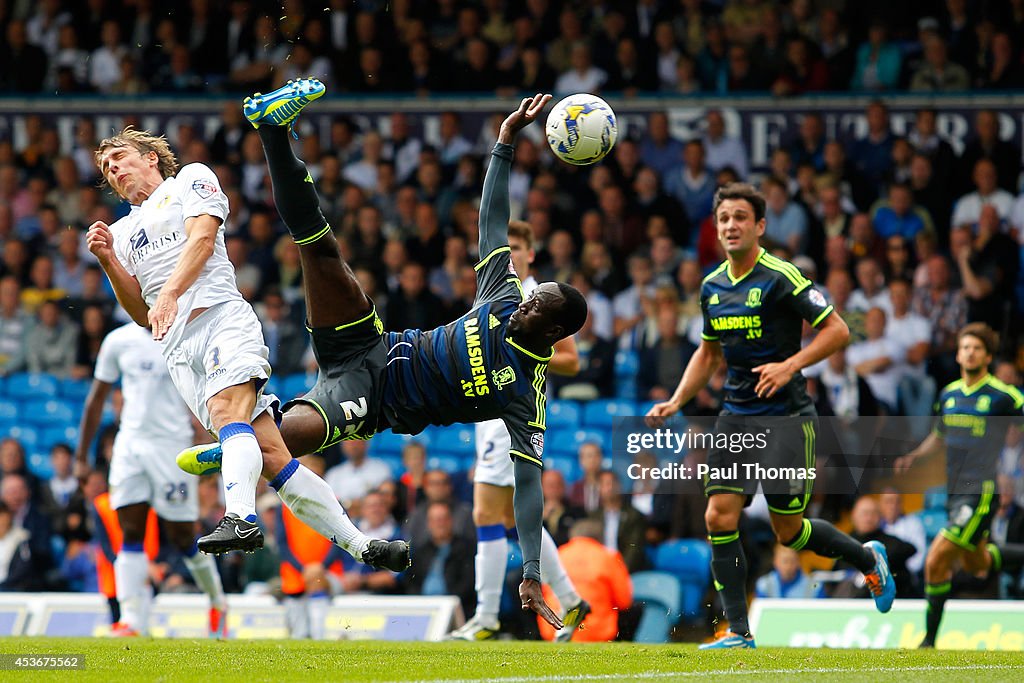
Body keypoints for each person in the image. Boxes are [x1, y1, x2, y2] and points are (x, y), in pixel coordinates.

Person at [178, 84, 588, 631]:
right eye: (529, 294)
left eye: (537, 306)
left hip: (370, 401)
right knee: (317, 245)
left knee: (280, 443)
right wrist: (504, 143)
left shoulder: (525, 393)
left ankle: (242, 448)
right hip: (370, 342)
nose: (524, 300)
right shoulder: (502, 295)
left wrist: (532, 568)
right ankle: (273, 131)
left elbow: (530, 486)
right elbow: (491, 220)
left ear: (554, 329)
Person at [86, 125, 408, 572]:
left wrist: (170, 293)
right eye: (106, 167)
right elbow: (143, 314)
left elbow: (201, 238)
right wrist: (108, 261)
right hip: (179, 351)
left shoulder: (190, 180)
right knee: (272, 456)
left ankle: (239, 516)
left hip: (220, 320)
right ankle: (363, 547)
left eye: (119, 157)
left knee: (226, 416)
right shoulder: (122, 231)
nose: (113, 168)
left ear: (151, 157)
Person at [646, 182, 895, 649]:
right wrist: (678, 400)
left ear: (760, 226)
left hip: (785, 418)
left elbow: (838, 331)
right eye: (723, 219)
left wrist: (790, 365)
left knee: (789, 530)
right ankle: (738, 631)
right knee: (718, 516)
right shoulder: (711, 286)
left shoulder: (782, 276)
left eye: (741, 217)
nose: (731, 226)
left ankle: (865, 556)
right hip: (736, 415)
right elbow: (708, 352)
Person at [447, 219, 589, 641]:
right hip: (486, 408)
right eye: (504, 247)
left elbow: (571, 359)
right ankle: (570, 598)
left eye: (517, 248)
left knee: (489, 513)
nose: (510, 254)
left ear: (530, 253)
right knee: (507, 515)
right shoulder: (495, 289)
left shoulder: (539, 297)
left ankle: (488, 615)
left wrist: (528, 355)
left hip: (511, 403)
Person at [74, 322, 227, 637]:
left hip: (172, 447)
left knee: (183, 537)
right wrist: (81, 456)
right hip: (129, 445)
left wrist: (206, 442)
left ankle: (217, 602)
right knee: (130, 531)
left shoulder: (186, 334)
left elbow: (202, 395)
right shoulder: (118, 340)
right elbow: (96, 398)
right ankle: (131, 619)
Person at [895, 323, 1024, 648]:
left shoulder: (1003, 395)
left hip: (980, 492)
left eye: (977, 348)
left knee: (936, 558)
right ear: (958, 353)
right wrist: (914, 456)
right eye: (965, 347)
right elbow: (939, 435)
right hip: (952, 491)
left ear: (988, 356)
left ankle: (928, 641)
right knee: (976, 562)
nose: (970, 352)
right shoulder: (949, 394)